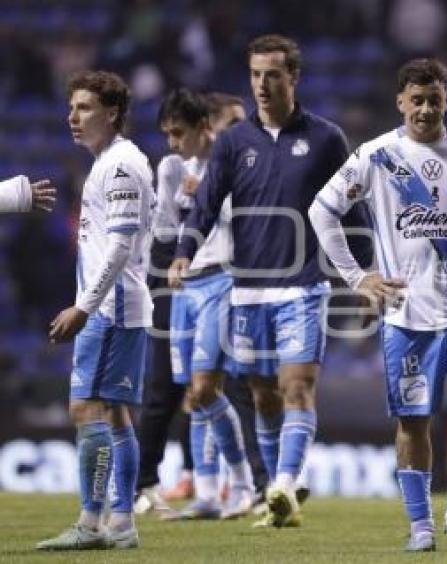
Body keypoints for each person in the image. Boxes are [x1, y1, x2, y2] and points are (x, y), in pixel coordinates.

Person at [308, 58, 447, 552]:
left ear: (446, 101)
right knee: (413, 421)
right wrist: (358, 276)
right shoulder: (376, 156)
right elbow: (322, 210)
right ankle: (420, 525)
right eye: (417, 100)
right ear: (401, 102)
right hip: (406, 313)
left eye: (435, 99)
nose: (426, 109)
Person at [172, 34, 370, 528]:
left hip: (303, 285)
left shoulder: (326, 138)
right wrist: (183, 253)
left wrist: (365, 276)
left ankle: (283, 484)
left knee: (297, 386)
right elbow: (207, 201)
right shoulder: (235, 142)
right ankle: (274, 494)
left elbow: (354, 211)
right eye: (256, 74)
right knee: (262, 394)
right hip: (248, 290)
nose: (262, 84)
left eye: (273, 75)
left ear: (293, 78)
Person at [38, 70, 155, 551]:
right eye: (72, 107)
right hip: (117, 306)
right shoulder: (109, 162)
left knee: (87, 408)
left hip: (112, 307)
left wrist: (84, 307)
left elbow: (121, 246)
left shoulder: (122, 164)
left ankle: (91, 522)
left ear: (113, 113)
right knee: (116, 414)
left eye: (84, 107)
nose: (73, 116)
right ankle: (123, 522)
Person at [151, 88, 256, 520]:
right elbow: (164, 227)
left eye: (179, 133)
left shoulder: (232, 163)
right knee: (194, 396)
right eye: (168, 135)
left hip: (222, 280)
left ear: (202, 128)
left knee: (206, 388)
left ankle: (244, 483)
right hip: (185, 286)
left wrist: (214, 196)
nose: (173, 143)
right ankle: (209, 494)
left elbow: (254, 217)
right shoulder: (175, 167)